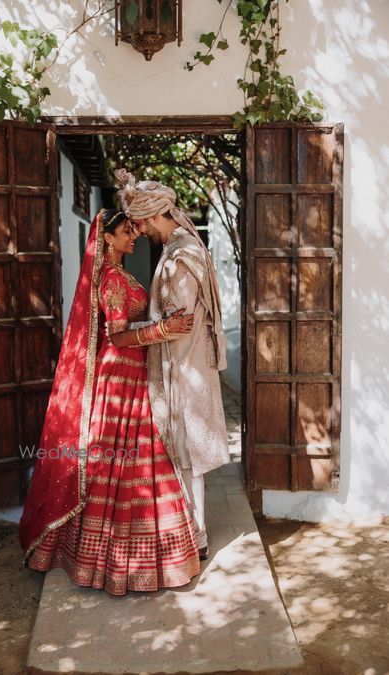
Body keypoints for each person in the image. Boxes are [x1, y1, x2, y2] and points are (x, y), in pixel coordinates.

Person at [19, 208, 201, 596]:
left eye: (135, 231)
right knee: (123, 465)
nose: (133, 237)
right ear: (106, 238)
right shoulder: (113, 281)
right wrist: (163, 330)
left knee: (136, 462)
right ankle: (112, 563)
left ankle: (130, 560)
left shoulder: (121, 275)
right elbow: (117, 338)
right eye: (125, 232)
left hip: (132, 371)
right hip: (120, 376)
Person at [114, 169, 230, 560]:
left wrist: (132, 331)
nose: (140, 230)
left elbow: (180, 324)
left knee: (185, 453)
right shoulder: (179, 249)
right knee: (182, 452)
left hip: (183, 365)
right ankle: (190, 535)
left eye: (142, 222)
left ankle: (193, 538)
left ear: (156, 215)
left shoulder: (181, 256)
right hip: (181, 363)